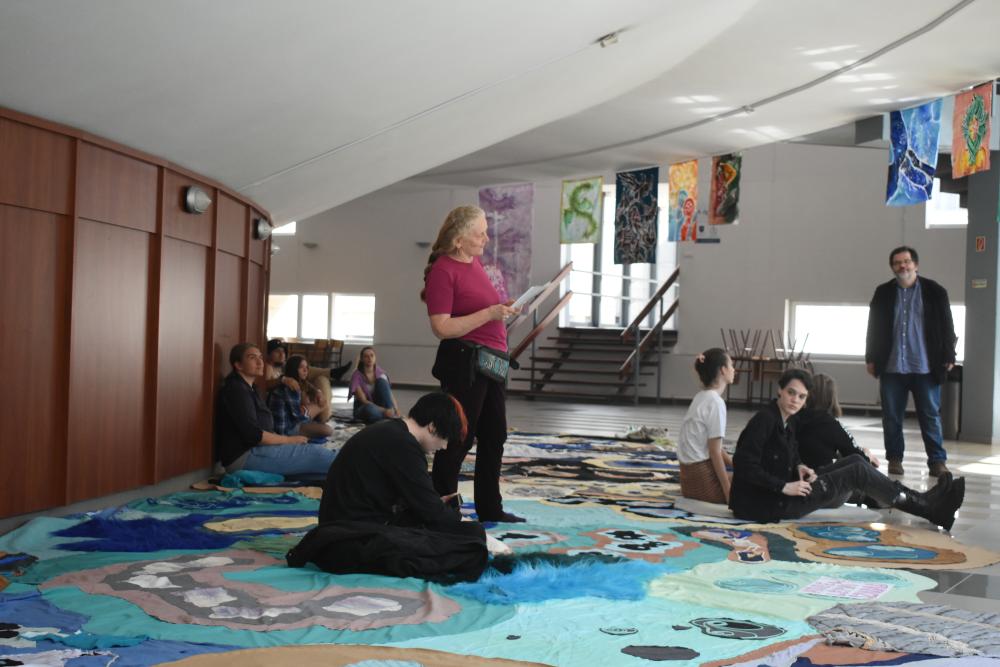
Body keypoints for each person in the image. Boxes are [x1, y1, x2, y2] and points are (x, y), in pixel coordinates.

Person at [730, 368, 965, 530]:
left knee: (855, 461)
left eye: (801, 397)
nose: (795, 400)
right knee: (857, 471)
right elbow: (744, 465)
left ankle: (921, 500)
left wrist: (800, 466)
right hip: (769, 503)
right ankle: (928, 508)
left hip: (786, 490)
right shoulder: (765, 420)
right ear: (780, 390)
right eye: (791, 393)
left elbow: (789, 453)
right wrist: (784, 486)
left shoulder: (787, 420)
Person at [287, 392, 488, 582]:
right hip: (348, 542)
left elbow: (419, 502)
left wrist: (435, 506)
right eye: (445, 439)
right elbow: (432, 512)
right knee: (472, 541)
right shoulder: (404, 446)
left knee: (459, 534)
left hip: (340, 533)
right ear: (433, 427)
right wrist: (451, 516)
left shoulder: (390, 432)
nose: (443, 447)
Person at [421, 205, 521, 523]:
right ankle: (442, 508)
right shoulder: (443, 270)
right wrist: (490, 313)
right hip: (465, 362)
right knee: (459, 436)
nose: (486, 239)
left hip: (492, 362)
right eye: (480, 234)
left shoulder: (474, 263)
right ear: (459, 240)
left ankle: (490, 508)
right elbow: (441, 327)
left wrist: (502, 308)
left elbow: (479, 309)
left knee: (495, 435)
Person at [865, 246, 957, 477]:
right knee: (892, 417)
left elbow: (947, 325)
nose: (902, 266)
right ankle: (895, 459)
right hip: (892, 367)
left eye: (906, 261)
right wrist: (871, 357)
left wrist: (949, 354)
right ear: (892, 267)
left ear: (915, 264)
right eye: (897, 263)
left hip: (926, 367)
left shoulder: (935, 291)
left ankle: (937, 461)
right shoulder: (883, 293)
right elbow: (873, 327)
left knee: (930, 416)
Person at [214, 342, 336, 478]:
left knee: (315, 455)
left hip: (258, 449)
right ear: (238, 365)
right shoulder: (237, 390)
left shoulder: (250, 387)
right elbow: (254, 435)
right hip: (245, 457)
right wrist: (288, 440)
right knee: (317, 455)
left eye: (260, 357)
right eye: (252, 357)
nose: (260, 362)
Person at [676, 348, 735, 504]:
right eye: (731, 365)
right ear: (723, 370)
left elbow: (715, 446)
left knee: (747, 474)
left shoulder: (701, 397)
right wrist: (727, 491)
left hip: (688, 483)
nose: (734, 370)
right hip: (703, 485)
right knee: (756, 483)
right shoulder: (716, 402)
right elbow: (714, 452)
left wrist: (734, 465)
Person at [796, 373, 880, 471]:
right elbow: (856, 456)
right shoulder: (831, 424)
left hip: (795, 472)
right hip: (819, 475)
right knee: (860, 461)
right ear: (832, 397)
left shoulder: (795, 418)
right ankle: (891, 482)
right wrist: (867, 454)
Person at [267, 354, 334, 440]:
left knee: (319, 403)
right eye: (301, 367)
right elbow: (299, 418)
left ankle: (313, 426)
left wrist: (318, 392)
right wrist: (307, 413)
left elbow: (309, 386)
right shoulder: (291, 387)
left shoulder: (296, 382)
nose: (305, 370)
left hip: (291, 422)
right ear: (293, 369)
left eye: (306, 367)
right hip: (286, 430)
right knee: (328, 430)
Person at [348, 346, 399, 423]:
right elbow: (364, 401)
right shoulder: (356, 376)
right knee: (369, 410)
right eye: (366, 356)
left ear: (375, 358)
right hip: (363, 407)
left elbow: (389, 393)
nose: (370, 358)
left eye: (372, 355)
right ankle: (388, 415)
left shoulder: (381, 373)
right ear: (362, 359)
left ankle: (390, 414)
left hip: (379, 406)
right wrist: (384, 411)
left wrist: (396, 409)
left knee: (382, 382)